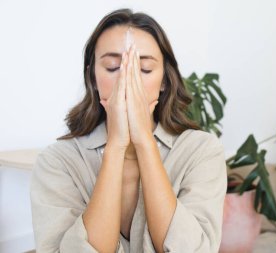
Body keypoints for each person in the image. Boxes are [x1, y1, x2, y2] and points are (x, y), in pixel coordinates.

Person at [30, 8, 227, 253]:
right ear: (92, 76)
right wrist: (116, 146)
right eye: (113, 67)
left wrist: (144, 141)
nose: (127, 81)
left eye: (144, 69)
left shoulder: (201, 151)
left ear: (164, 79)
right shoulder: (57, 161)